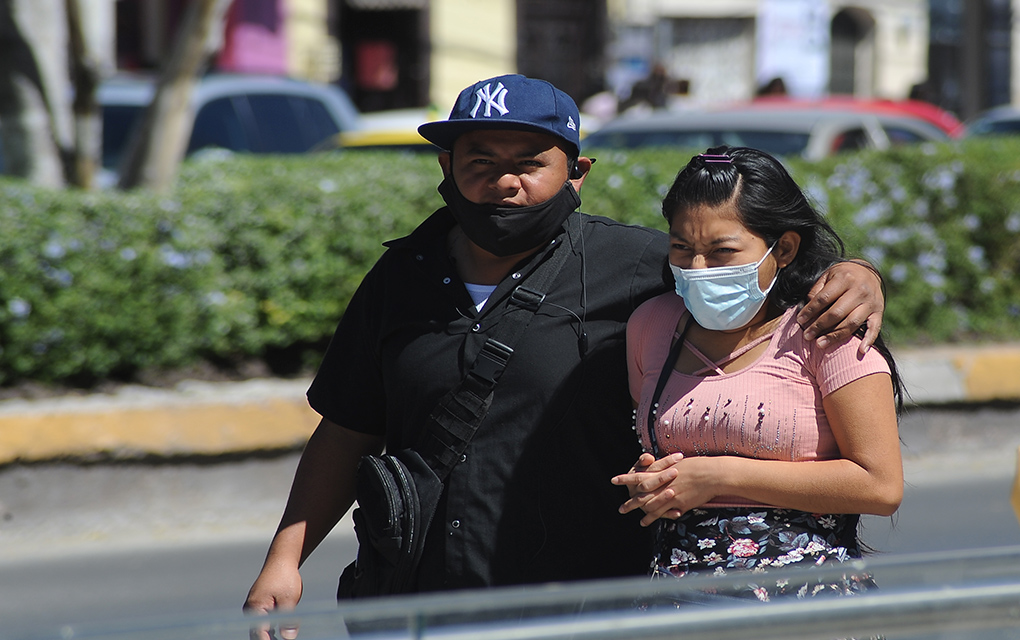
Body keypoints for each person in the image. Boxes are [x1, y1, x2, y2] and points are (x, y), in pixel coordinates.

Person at [243, 75, 886, 618]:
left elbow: (756, 282)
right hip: (418, 593)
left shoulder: (640, 266)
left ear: (576, 173)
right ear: (448, 167)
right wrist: (285, 558)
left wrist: (859, 273)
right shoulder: (399, 276)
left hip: (580, 603)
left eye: (528, 162)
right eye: (481, 161)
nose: (504, 182)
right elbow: (346, 428)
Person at [612, 146, 904, 603]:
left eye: (721, 251)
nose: (697, 269)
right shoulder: (651, 326)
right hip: (678, 611)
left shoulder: (829, 331)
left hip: (803, 612)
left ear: (783, 248)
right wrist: (654, 480)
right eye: (681, 248)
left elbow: (880, 486)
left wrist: (718, 477)